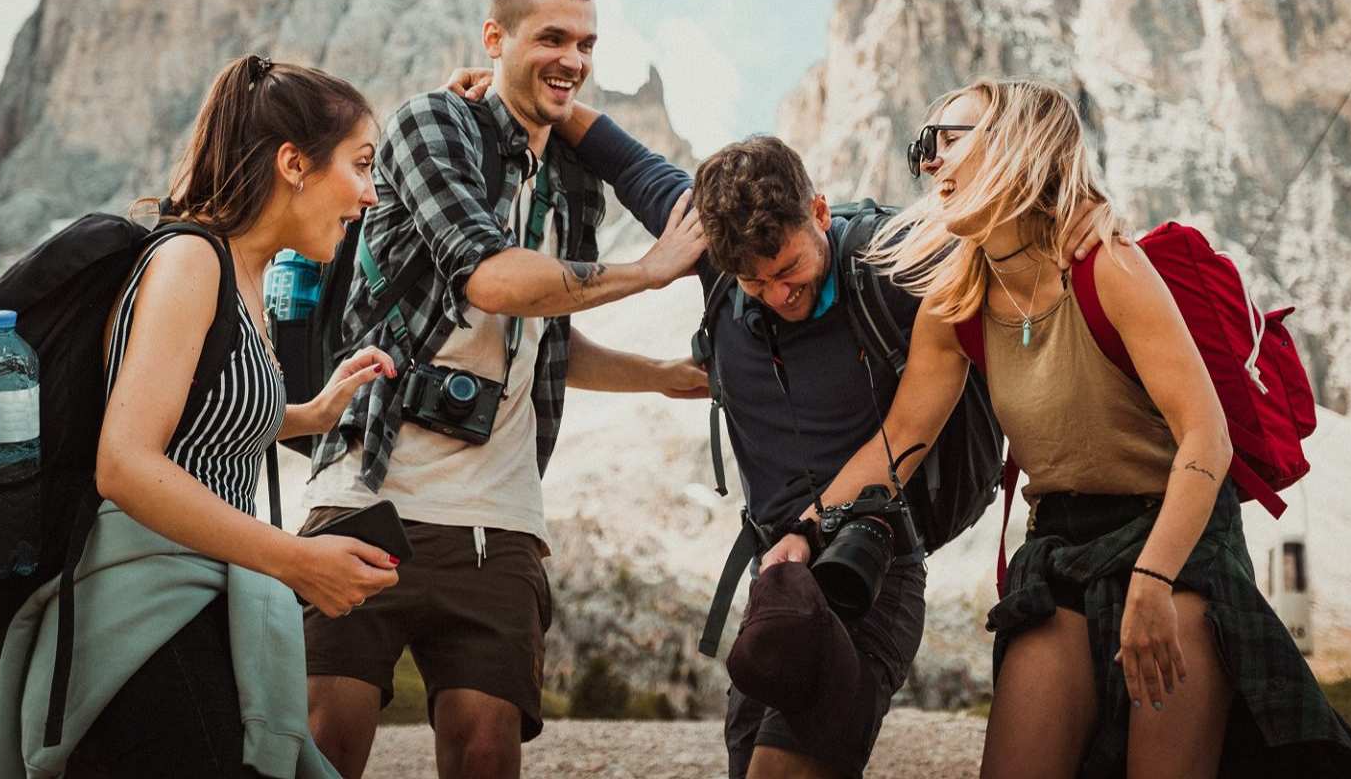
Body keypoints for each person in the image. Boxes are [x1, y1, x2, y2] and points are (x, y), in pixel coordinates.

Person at [440, 71, 1101, 779]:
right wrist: (524, 92)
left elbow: (1017, 230)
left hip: (870, 568)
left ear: (819, 211)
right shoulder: (716, 254)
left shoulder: (893, 262)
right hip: (777, 578)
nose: (779, 295)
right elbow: (626, 159)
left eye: (790, 268)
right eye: (755, 284)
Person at [794, 77, 1351, 778]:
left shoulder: (1107, 266)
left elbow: (1208, 438)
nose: (927, 163)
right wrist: (804, 531)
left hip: (1175, 537)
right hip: (1060, 548)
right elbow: (900, 440)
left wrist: (1155, 577)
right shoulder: (955, 300)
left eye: (945, 141)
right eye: (920, 149)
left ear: (1018, 143)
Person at [301, 0, 709, 779]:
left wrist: (661, 375)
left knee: (487, 752)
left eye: (588, 43)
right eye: (552, 36)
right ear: (495, 36)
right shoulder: (430, 126)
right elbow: (489, 277)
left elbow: (547, 336)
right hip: (371, 492)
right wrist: (648, 271)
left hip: (502, 517)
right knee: (321, 745)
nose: (574, 58)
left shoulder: (572, 181)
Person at [0, 54, 406, 778]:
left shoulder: (246, 276)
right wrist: (296, 562)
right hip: (146, 612)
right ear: (294, 163)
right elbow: (127, 463)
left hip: (202, 596)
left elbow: (197, 419)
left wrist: (311, 413)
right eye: (359, 165)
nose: (369, 194)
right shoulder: (191, 261)